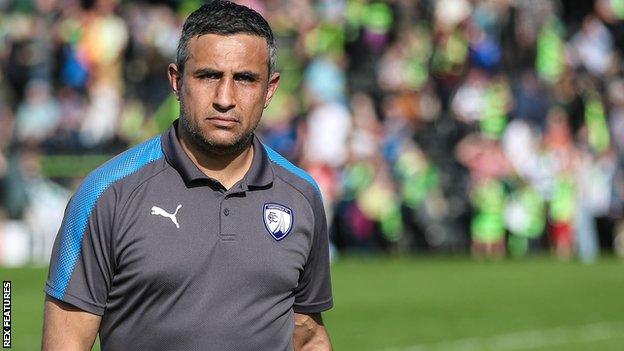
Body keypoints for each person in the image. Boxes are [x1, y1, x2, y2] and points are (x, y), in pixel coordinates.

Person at [41, 2, 333, 350]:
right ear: (177, 81)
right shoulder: (106, 194)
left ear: (269, 89)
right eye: (208, 76)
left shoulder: (301, 195)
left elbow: (307, 335)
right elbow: (66, 342)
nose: (225, 98)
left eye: (245, 79)